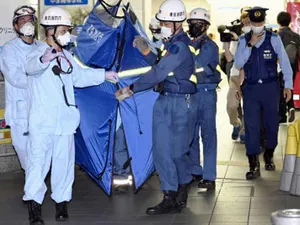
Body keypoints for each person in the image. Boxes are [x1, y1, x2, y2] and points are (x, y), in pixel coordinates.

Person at [23, 7, 118, 225]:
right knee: (37, 166)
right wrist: (44, 59)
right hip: (43, 123)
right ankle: (34, 208)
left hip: (65, 123)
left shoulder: (66, 56)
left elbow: (79, 76)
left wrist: (104, 75)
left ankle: (61, 204)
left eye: (68, 29)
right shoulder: (35, 53)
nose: (67, 34)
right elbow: (30, 68)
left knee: (64, 166)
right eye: (64, 30)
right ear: (50, 30)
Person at [116, 0, 197, 215]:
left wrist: (131, 88)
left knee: (178, 152)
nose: (161, 24)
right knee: (161, 151)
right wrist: (145, 50)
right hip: (163, 100)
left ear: (177, 22)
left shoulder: (180, 46)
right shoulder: (170, 45)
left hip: (182, 103)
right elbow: (159, 63)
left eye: (165, 21)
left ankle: (183, 184)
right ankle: (169, 195)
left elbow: (160, 72)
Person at [235, 6, 293, 180]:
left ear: (264, 22)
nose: (257, 25)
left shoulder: (274, 38)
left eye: (260, 22)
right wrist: (250, 44)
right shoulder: (243, 40)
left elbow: (284, 61)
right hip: (251, 89)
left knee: (271, 124)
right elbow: (238, 62)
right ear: (250, 22)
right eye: (254, 22)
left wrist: (288, 85)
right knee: (252, 126)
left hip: (271, 88)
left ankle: (269, 153)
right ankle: (253, 164)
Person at [0, 5, 38, 171]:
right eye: (22, 21)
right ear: (15, 26)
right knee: (26, 156)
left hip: (40, 110)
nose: (27, 24)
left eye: (30, 20)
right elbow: (15, 77)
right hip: (20, 112)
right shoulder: (9, 49)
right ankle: (33, 188)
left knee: (39, 155)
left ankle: (35, 188)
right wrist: (39, 81)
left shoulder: (42, 47)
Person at [187, 8, 221, 190]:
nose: (194, 27)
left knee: (207, 134)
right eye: (192, 23)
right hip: (190, 93)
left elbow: (196, 66)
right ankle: (195, 170)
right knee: (191, 134)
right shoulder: (185, 43)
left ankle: (209, 175)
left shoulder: (210, 46)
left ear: (206, 26)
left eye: (198, 24)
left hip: (206, 93)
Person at [224, 11, 251, 142]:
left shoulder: (257, 37)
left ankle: (244, 131)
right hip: (235, 76)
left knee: (249, 106)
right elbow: (229, 58)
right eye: (244, 23)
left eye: (248, 23)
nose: (246, 25)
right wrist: (226, 43)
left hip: (250, 77)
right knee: (231, 105)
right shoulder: (237, 38)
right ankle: (236, 123)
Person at [277, 11, 300, 123]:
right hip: (293, 66)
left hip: (280, 66)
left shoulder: (277, 36)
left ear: (278, 22)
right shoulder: (296, 36)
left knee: (280, 88)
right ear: (290, 21)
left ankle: (282, 115)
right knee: (289, 87)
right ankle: (290, 107)